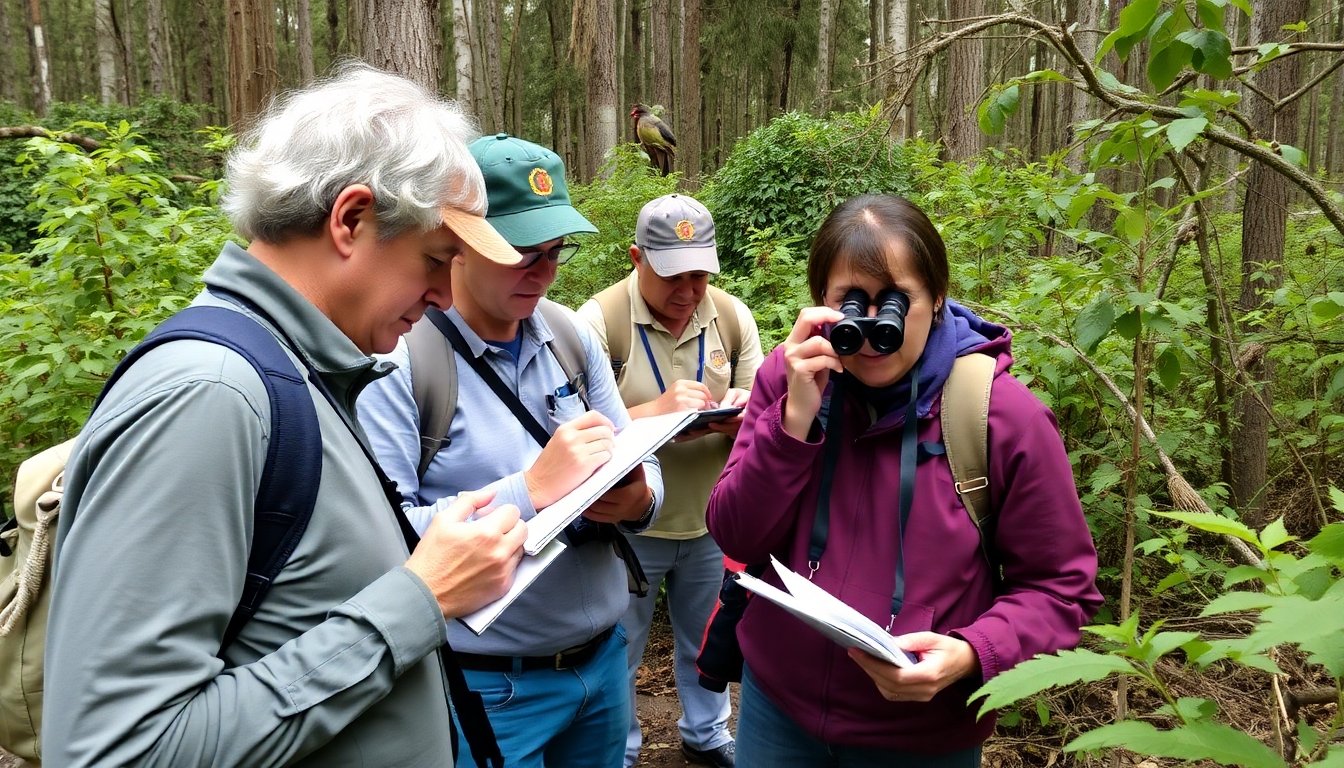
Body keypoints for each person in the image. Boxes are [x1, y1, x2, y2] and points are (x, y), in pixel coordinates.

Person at [42, 64, 529, 767]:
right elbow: (116, 750)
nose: (445, 298)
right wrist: (417, 601)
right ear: (351, 219)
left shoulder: (305, 373)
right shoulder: (210, 395)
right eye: (435, 260)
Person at [706, 194, 1102, 767]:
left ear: (938, 298)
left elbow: (1061, 589)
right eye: (850, 303)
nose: (871, 329)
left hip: (920, 733)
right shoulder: (790, 379)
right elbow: (736, 535)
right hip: (779, 710)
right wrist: (793, 421)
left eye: (895, 303)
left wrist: (971, 654)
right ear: (822, 302)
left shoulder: (999, 416)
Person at [358, 133, 664, 768]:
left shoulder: (571, 336)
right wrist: (531, 490)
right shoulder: (402, 362)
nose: (544, 271)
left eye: (556, 252)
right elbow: (384, 542)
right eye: (523, 252)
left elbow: (643, 463)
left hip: (604, 666)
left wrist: (638, 498)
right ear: (461, 244)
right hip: (490, 686)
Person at [577, 193, 763, 768]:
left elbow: (769, 417)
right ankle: (623, 748)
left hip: (712, 523)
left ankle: (706, 735)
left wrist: (743, 416)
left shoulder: (730, 317)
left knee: (704, 643)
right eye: (672, 276)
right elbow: (567, 438)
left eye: (700, 276)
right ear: (636, 259)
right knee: (622, 645)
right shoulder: (597, 322)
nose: (688, 292)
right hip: (628, 528)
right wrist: (652, 414)